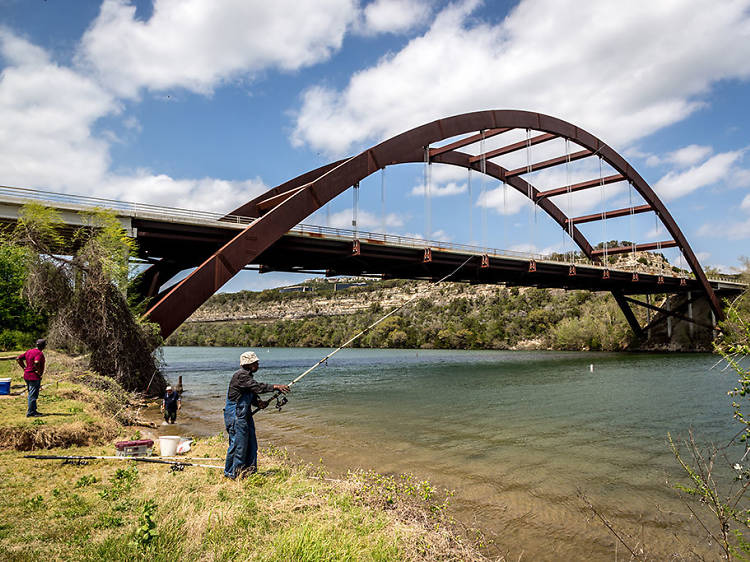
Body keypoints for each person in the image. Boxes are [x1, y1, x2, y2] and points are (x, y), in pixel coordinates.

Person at [223, 351, 290, 479]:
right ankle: (233, 474)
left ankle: (249, 472)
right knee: (238, 445)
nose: (258, 364)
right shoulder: (241, 376)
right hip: (236, 413)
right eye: (256, 363)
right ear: (249, 364)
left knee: (251, 443)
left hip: (244, 413)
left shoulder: (247, 377)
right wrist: (276, 386)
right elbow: (257, 387)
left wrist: (258, 403)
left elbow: (251, 392)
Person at [16, 339, 46, 417]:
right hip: (34, 376)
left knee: (31, 393)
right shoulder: (39, 353)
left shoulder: (29, 351)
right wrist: (39, 372)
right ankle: (30, 413)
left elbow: (18, 358)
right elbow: (36, 362)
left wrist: (24, 368)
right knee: (33, 395)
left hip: (27, 375)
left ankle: (34, 410)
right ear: (43, 346)